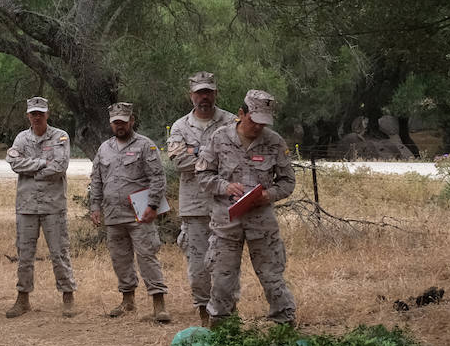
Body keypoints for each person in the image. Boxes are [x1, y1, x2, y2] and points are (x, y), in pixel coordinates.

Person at [196, 89, 297, 325]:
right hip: (226, 222)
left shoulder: (274, 142)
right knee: (222, 277)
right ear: (241, 114)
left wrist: (268, 194)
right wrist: (225, 186)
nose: (258, 127)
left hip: (262, 223)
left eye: (263, 122)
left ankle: (284, 324)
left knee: (272, 276)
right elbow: (202, 175)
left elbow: (288, 182)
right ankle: (223, 327)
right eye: (254, 120)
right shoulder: (219, 138)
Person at [88, 102, 171, 322]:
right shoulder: (104, 148)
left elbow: (157, 177)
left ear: (131, 121)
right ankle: (127, 301)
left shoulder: (145, 145)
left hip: (140, 215)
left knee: (147, 257)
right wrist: (95, 206)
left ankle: (158, 304)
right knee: (120, 259)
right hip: (113, 214)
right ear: (111, 124)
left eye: (124, 122)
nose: (120, 126)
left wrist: (153, 206)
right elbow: (96, 179)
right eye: (116, 123)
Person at [167, 71, 236, 327]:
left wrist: (195, 151)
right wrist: (213, 157)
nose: (203, 97)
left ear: (215, 93)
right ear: (191, 95)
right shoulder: (180, 126)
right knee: (198, 267)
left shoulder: (231, 122)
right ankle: (204, 313)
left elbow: (234, 160)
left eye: (208, 92)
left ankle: (227, 315)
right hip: (194, 207)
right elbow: (179, 162)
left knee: (225, 264)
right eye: (199, 93)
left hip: (225, 205)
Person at [4, 96, 76, 318]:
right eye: (33, 113)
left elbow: (60, 165)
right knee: (24, 254)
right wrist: (42, 163)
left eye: (40, 113)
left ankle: (67, 295)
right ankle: (23, 298)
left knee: (59, 252)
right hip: (27, 206)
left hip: (53, 205)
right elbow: (14, 163)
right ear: (28, 115)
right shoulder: (21, 138)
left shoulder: (60, 136)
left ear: (47, 114)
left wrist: (32, 170)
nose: (37, 117)